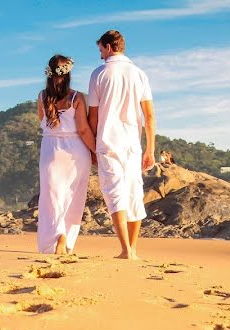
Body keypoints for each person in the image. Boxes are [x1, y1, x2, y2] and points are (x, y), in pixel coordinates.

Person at [88, 30, 156, 260]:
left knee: (114, 193)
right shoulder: (139, 74)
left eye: (100, 50)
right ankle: (133, 249)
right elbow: (149, 117)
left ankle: (125, 249)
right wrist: (150, 149)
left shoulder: (99, 74)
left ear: (108, 47)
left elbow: (93, 117)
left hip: (108, 141)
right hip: (132, 143)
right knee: (134, 193)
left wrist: (91, 145)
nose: (100, 55)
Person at [36, 54, 96, 255]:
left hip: (51, 150)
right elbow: (84, 130)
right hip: (76, 150)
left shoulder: (42, 97)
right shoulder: (76, 97)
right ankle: (66, 240)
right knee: (73, 197)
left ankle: (57, 236)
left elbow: (42, 122)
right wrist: (95, 152)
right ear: (69, 74)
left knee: (51, 199)